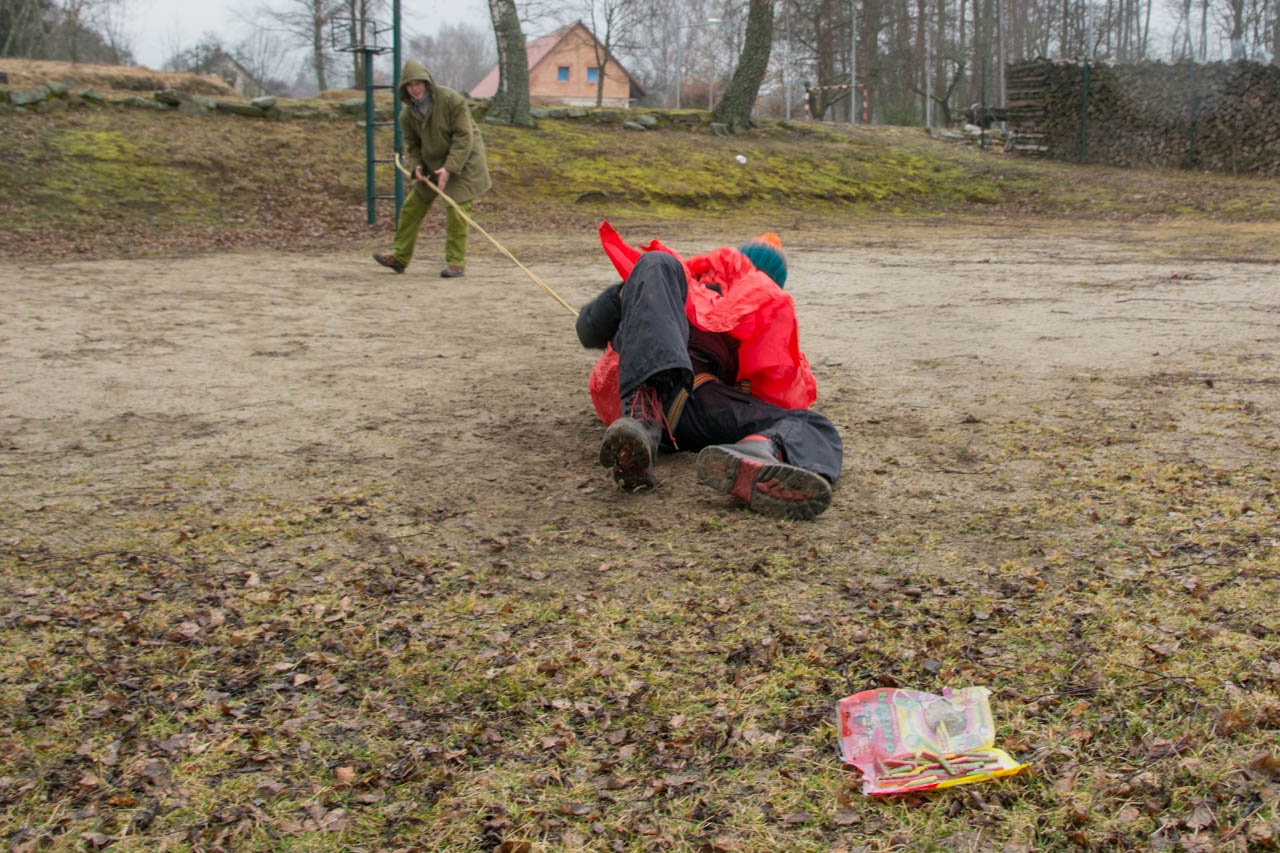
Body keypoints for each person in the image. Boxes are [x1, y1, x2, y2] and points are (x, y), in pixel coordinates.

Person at [575, 223, 843, 520]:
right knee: (657, 263)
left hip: (695, 403)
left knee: (814, 424)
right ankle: (645, 425)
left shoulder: (752, 317)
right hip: (663, 397)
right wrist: (627, 292)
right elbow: (588, 329)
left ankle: (756, 454)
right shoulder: (669, 281)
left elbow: (586, 331)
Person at [373, 60, 491, 278]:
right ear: (405, 88)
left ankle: (456, 263)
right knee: (411, 208)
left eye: (419, 83)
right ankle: (400, 257)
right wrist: (416, 165)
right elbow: (413, 146)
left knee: (456, 210)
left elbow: (464, 136)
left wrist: (449, 168)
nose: (415, 89)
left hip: (465, 161)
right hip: (432, 163)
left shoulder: (451, 100)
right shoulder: (406, 115)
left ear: (427, 83)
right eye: (410, 85)